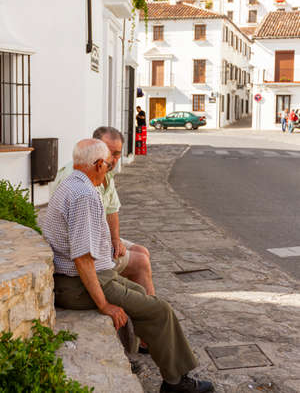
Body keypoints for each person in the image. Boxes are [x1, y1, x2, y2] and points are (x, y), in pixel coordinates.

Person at [43, 139, 214, 393]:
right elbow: (82, 259)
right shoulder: (84, 195)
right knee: (160, 310)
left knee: (143, 296)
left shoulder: (70, 183)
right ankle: (176, 383)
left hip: (89, 277)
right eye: (108, 164)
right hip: (80, 284)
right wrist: (104, 304)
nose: (110, 168)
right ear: (98, 164)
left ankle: (146, 361)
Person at [51, 127, 154, 297]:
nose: (112, 160)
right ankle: (149, 307)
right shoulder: (81, 178)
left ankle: (138, 301)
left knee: (142, 251)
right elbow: (81, 246)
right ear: (95, 148)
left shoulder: (105, 172)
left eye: (117, 154)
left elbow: (112, 210)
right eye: (109, 152)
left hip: (98, 236)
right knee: (141, 262)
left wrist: (115, 239)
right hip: (79, 249)